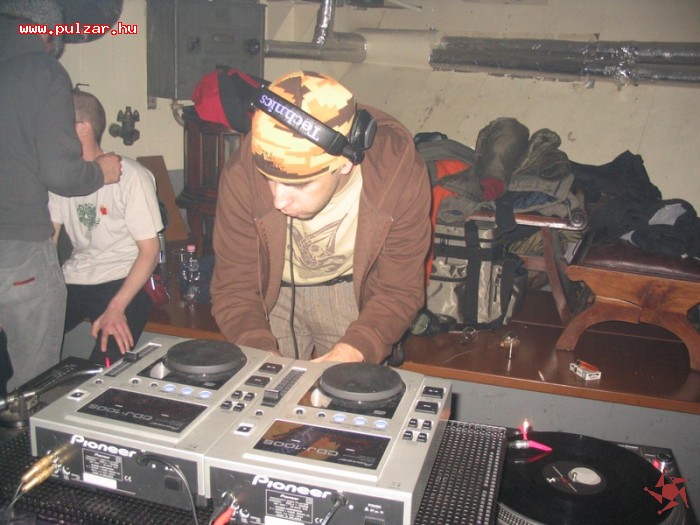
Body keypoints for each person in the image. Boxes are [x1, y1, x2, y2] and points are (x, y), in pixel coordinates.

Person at [211, 70, 431, 364]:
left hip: (350, 292)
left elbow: (398, 289)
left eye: (299, 184)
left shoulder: (400, 177)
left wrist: (356, 349)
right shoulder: (242, 173)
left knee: (348, 389)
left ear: (345, 161)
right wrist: (258, 352)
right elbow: (235, 286)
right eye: (269, 178)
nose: (278, 200)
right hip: (270, 293)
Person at [0, 0, 122, 391]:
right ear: (49, 30)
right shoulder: (41, 70)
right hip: (16, 245)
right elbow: (61, 173)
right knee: (33, 383)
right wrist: (101, 172)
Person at [49, 90, 163, 366]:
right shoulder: (61, 180)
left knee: (103, 365)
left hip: (123, 279)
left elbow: (150, 252)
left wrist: (117, 306)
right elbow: (47, 243)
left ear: (83, 128)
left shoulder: (132, 176)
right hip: (74, 278)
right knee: (14, 339)